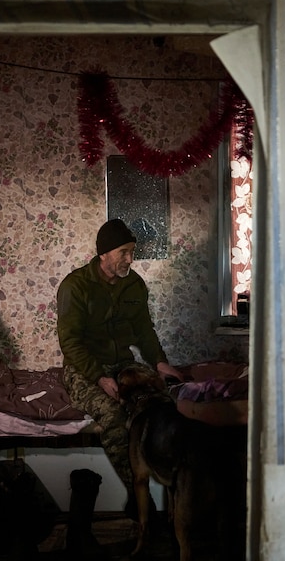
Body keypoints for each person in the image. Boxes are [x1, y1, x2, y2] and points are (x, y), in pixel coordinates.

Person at [56, 217, 183, 515]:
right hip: (85, 367)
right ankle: (139, 502)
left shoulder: (134, 285)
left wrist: (160, 363)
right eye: (123, 252)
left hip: (122, 363)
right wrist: (99, 378)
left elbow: (144, 331)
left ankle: (177, 489)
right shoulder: (75, 286)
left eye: (132, 251)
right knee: (113, 414)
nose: (130, 258)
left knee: (163, 401)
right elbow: (70, 343)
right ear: (103, 254)